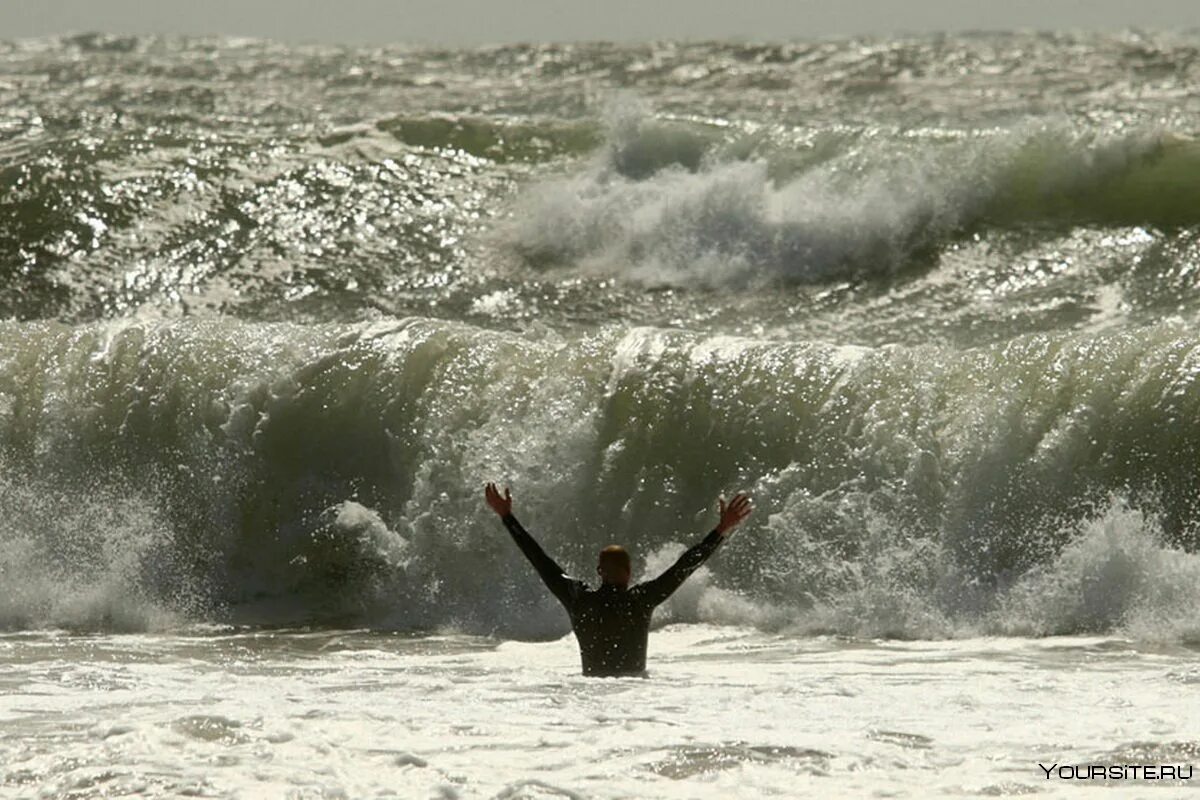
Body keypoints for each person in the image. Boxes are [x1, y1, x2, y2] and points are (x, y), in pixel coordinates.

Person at [483, 482, 752, 677]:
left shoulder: (579, 600)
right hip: (632, 704)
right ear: (629, 572)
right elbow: (685, 566)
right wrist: (721, 529)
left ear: (599, 571)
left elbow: (539, 559)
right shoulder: (640, 600)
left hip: (593, 701)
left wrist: (507, 517)